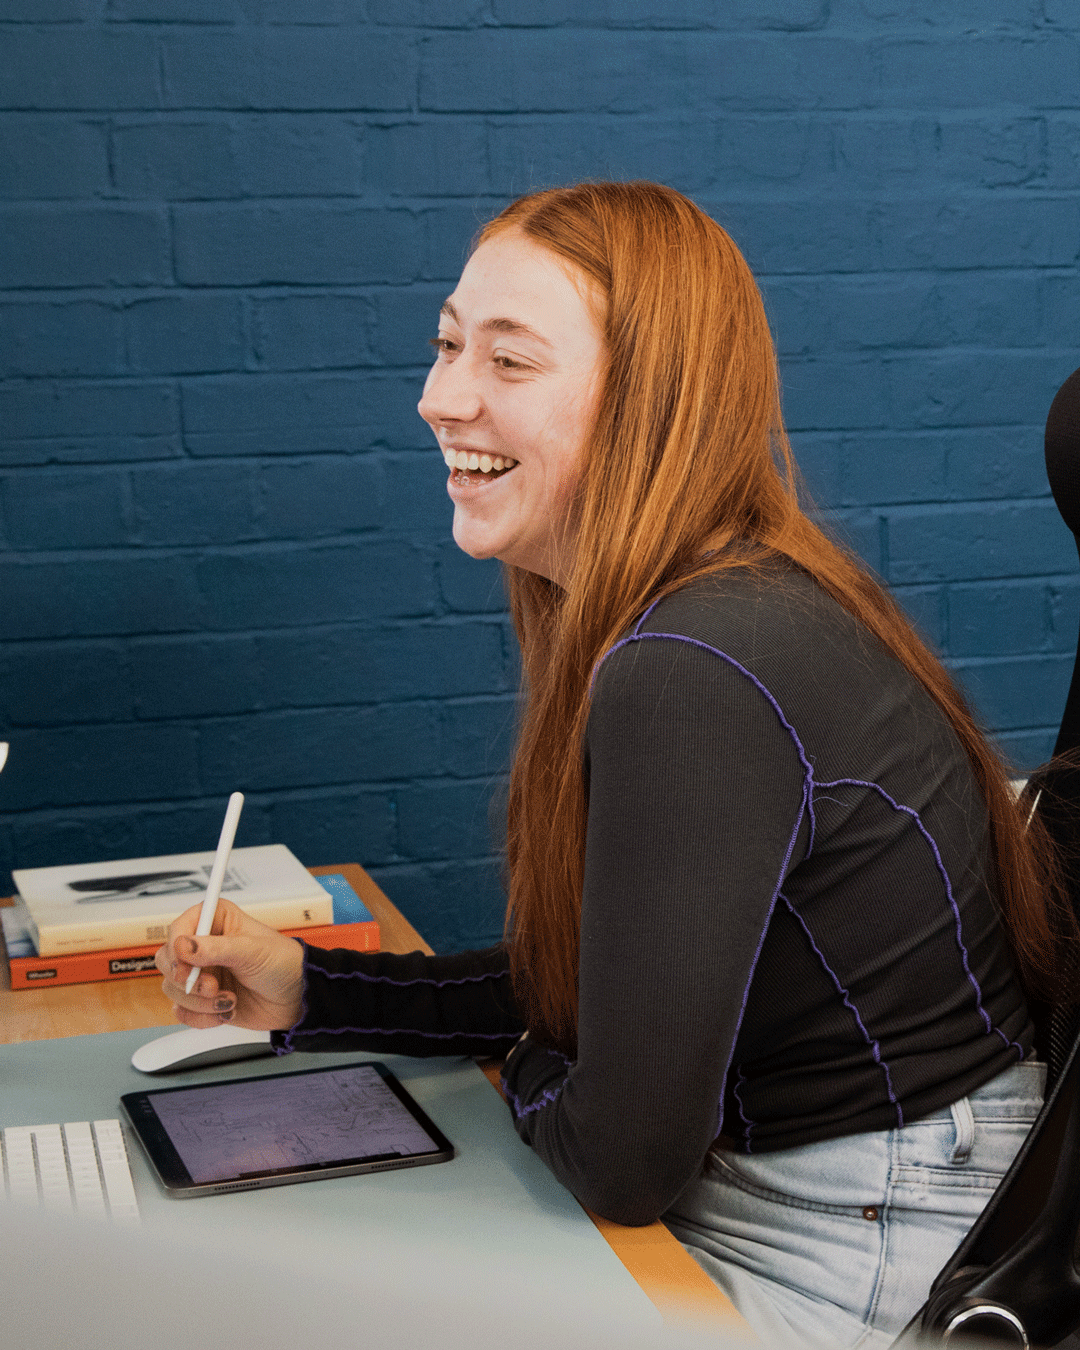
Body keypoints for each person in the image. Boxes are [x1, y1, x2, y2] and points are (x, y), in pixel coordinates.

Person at [157, 181, 1070, 1348]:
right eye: (446, 345)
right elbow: (608, 993)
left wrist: (533, 1066)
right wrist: (316, 990)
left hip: (870, 1235)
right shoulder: (710, 604)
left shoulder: (701, 660)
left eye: (510, 362)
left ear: (651, 400)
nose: (441, 397)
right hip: (822, 1183)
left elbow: (623, 1156)